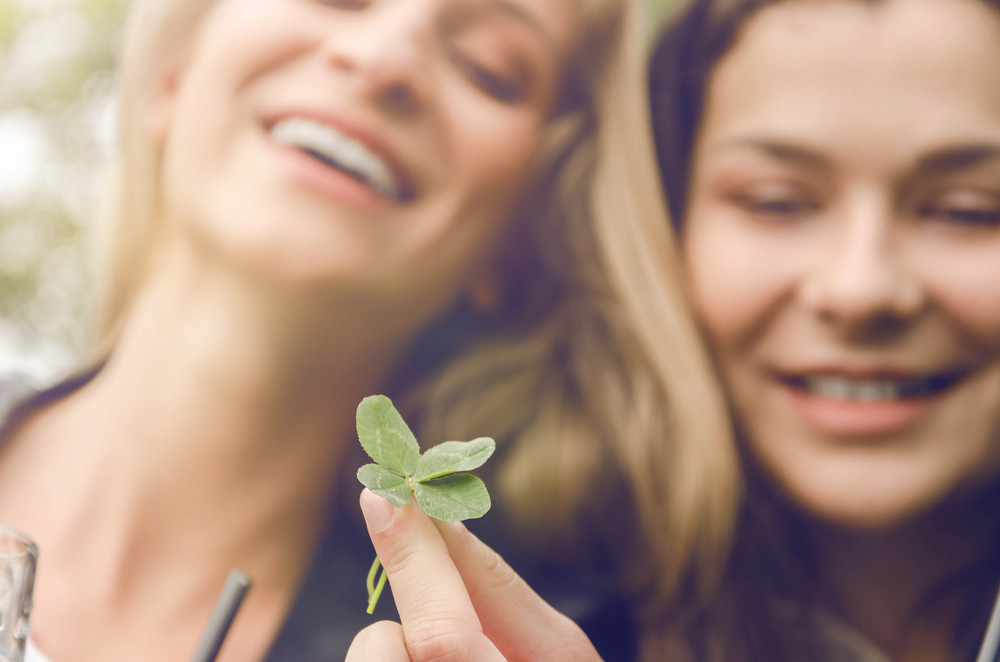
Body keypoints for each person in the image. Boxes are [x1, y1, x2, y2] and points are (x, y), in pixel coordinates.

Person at [0, 0, 739, 660]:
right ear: (174, 74)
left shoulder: (513, 642)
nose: (385, 59)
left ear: (524, 233)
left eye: (487, 66)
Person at [647, 0, 1000, 659]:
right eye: (775, 201)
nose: (859, 288)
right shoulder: (515, 603)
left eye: (967, 211)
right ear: (663, 226)